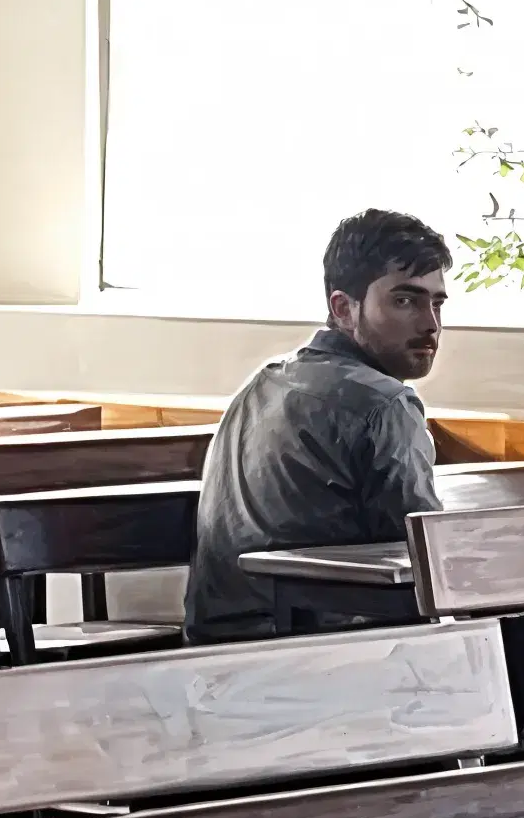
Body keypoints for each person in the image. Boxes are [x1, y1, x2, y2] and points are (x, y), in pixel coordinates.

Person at [188, 208, 450, 637]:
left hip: (217, 646)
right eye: (405, 301)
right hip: (321, 655)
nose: (431, 325)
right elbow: (427, 564)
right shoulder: (384, 403)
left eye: (436, 302)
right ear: (343, 308)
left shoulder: (262, 382)